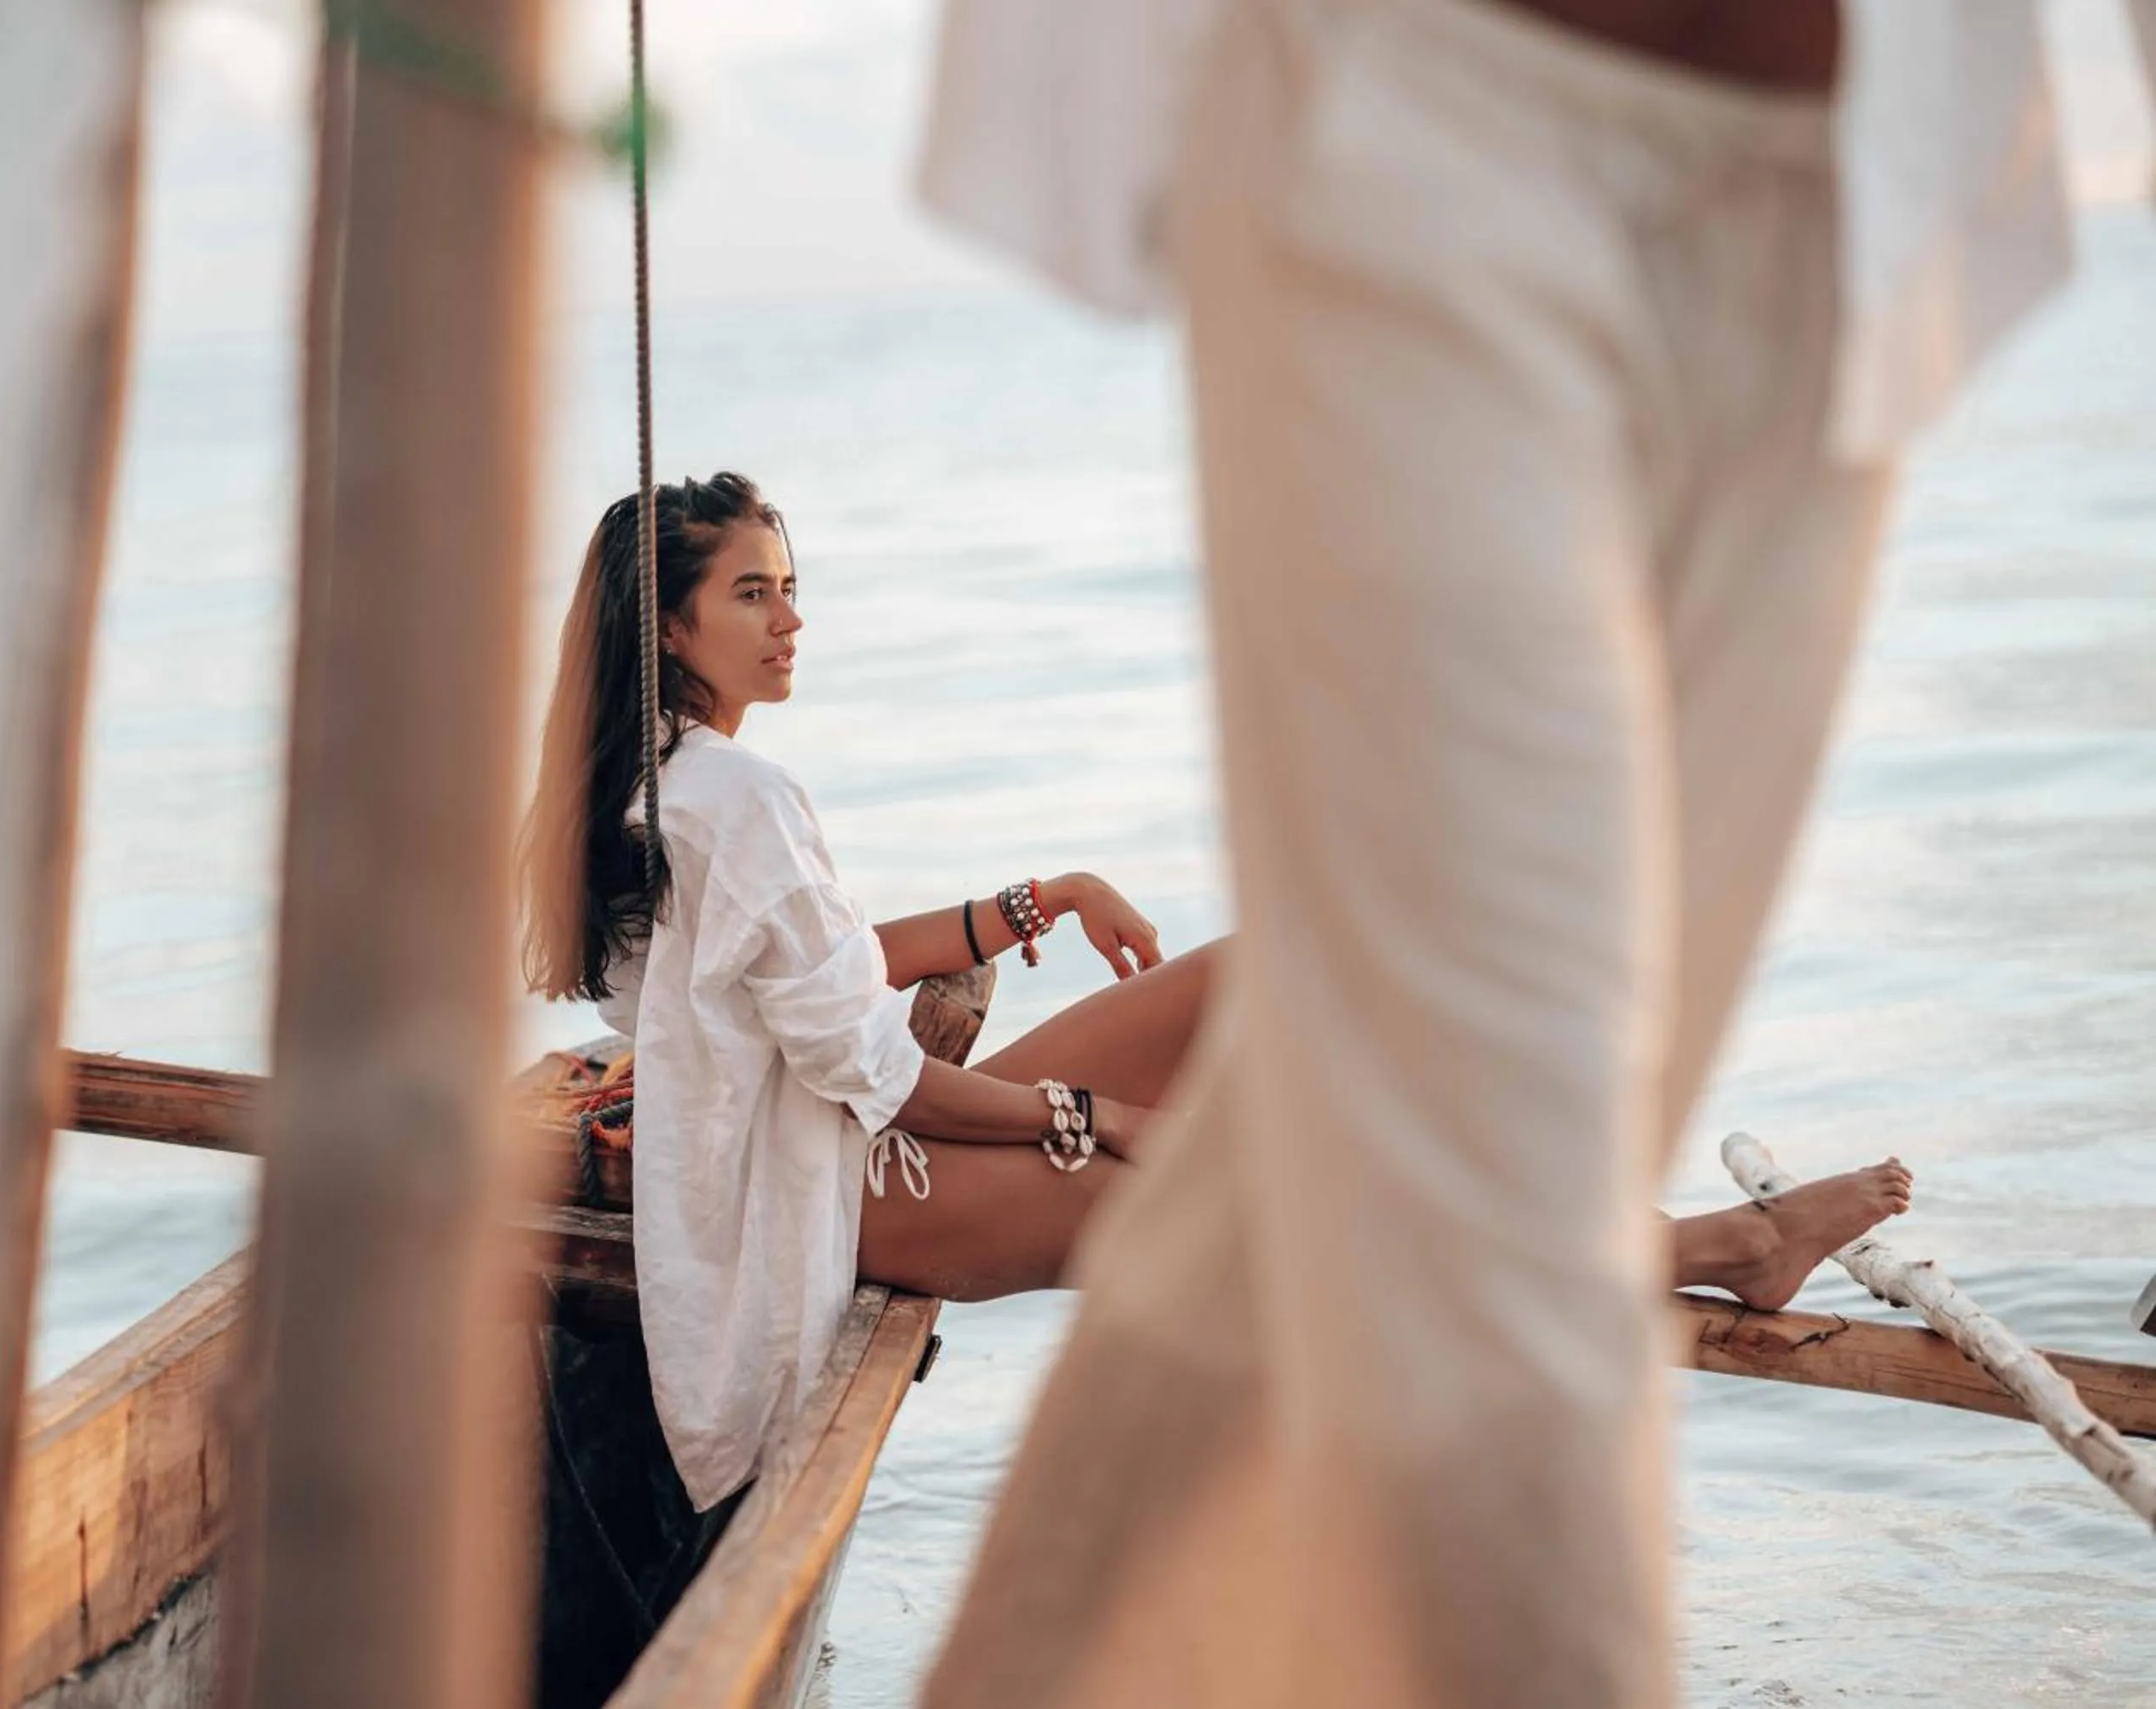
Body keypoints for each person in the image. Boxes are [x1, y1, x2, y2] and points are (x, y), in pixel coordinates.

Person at [912, 1, 2155, 1704]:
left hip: (1846, 192)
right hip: (1432, 115)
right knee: (1500, 1213)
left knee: (1334, 1201)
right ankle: (1712, 1263)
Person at [517, 470, 1913, 1517]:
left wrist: (1030, 902)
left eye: (791, 583)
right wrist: (1090, 1118)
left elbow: (795, 981)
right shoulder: (737, 796)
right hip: (854, 1183)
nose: (791, 618)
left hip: (857, 1136)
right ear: (674, 625)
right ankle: (1716, 1245)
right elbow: (867, 1064)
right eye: (752, 592)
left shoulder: (669, 787)